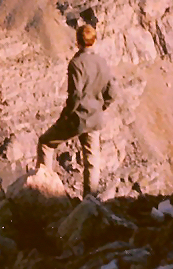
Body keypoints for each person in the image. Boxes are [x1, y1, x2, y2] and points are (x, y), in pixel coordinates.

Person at [36, 23, 114, 197]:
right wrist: (101, 107)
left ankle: (44, 191)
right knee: (92, 159)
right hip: (95, 118)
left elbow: (76, 96)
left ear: (78, 42)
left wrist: (66, 115)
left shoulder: (76, 64)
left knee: (46, 143)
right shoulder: (102, 62)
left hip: (78, 118)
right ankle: (90, 199)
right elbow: (112, 92)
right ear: (94, 40)